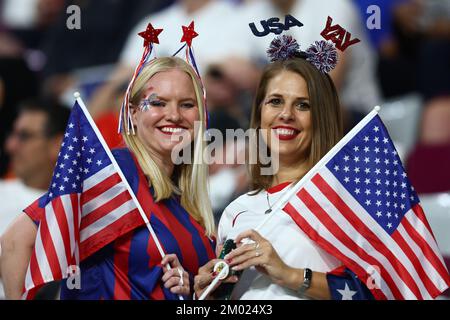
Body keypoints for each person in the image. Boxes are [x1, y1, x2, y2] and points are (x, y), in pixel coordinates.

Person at [0, 56, 216, 299]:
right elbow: (15, 241)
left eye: (187, 104)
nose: (174, 115)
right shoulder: (115, 173)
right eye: (158, 103)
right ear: (133, 113)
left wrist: (191, 290)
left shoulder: (189, 202)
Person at [194, 36, 375, 300]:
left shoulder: (344, 198)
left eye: (303, 104)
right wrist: (210, 295)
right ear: (260, 113)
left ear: (321, 117)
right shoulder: (235, 211)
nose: (286, 114)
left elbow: (380, 289)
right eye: (275, 101)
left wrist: (288, 274)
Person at [0, 99, 70, 299]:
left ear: (58, 144)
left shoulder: (82, 207)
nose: (10, 145)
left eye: (24, 136)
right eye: (12, 135)